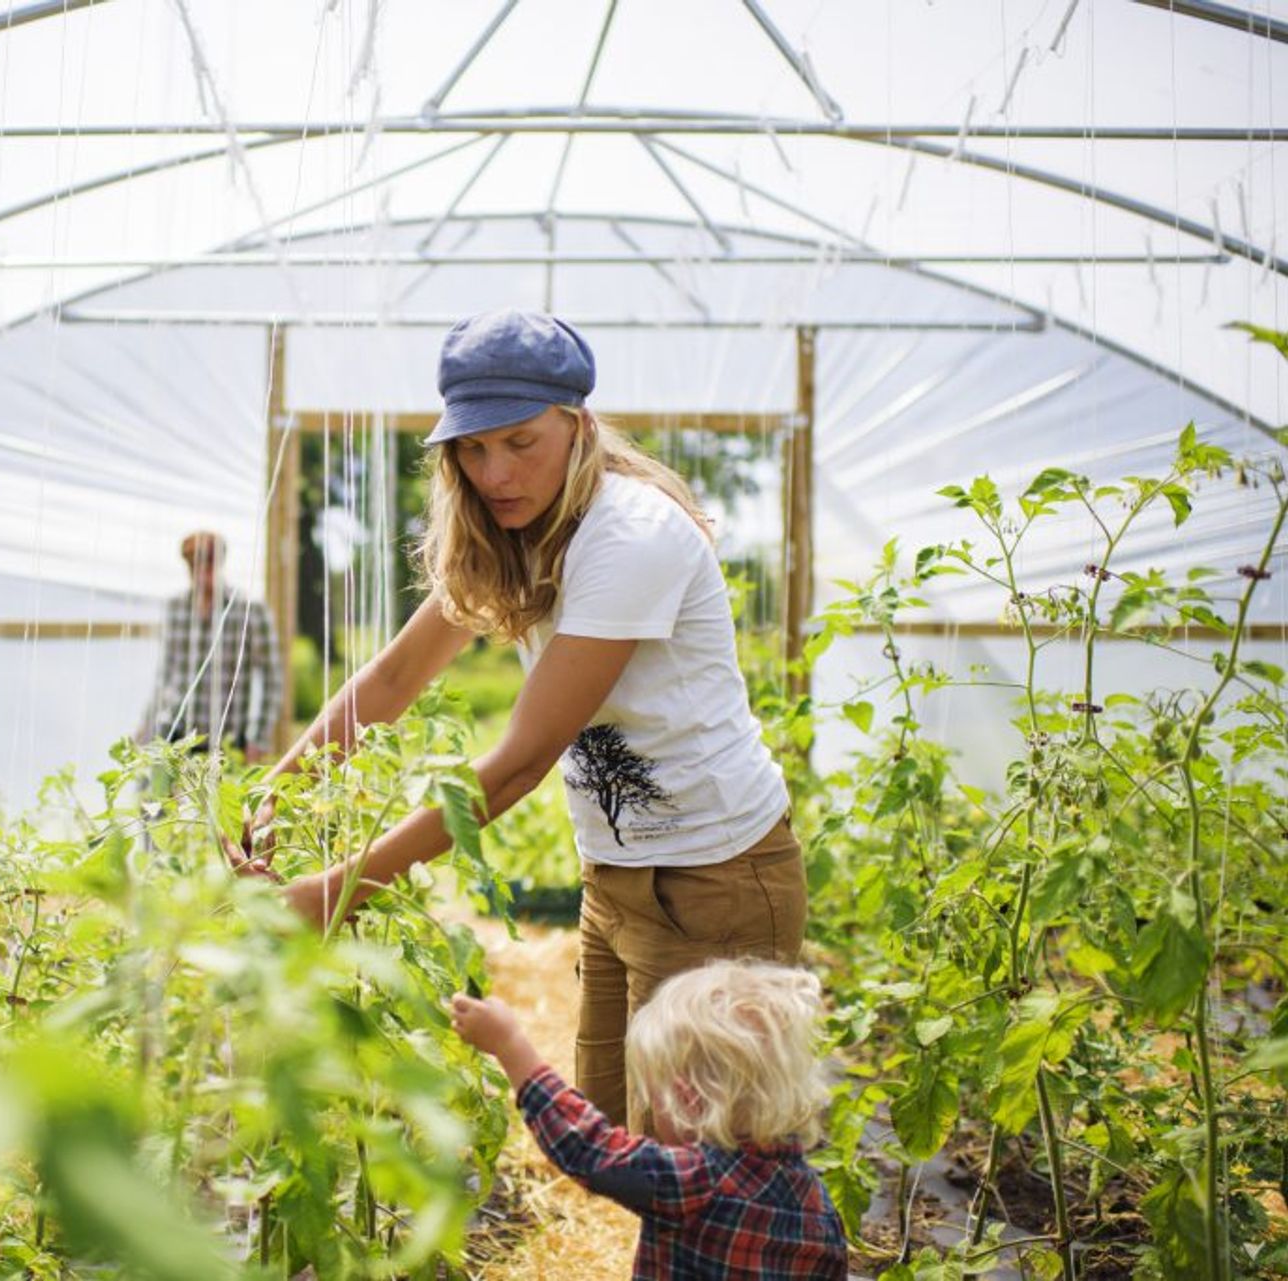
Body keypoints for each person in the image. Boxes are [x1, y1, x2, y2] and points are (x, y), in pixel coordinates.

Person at [237, 308, 804, 1130]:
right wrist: (274, 801)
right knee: (618, 1127)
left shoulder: (629, 534)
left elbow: (518, 760)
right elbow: (393, 675)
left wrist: (340, 889)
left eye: (518, 441)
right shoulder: (513, 533)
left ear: (575, 426)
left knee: (701, 1168)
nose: (493, 470)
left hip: (718, 877)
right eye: (472, 447)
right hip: (617, 875)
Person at [449, 959, 848, 1280]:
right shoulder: (818, 1207)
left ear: (687, 1100)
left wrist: (509, 1045)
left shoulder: (697, 1183)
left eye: (652, 1093)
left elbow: (588, 1150)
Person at [141, 530, 284, 763]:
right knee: (158, 795)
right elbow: (165, 675)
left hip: (228, 739)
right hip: (176, 734)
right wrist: (147, 724)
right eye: (194, 562)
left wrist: (258, 738)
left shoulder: (249, 610)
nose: (201, 570)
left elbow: (272, 678)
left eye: (208, 561)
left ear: (220, 563)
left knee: (224, 798)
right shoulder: (175, 608)